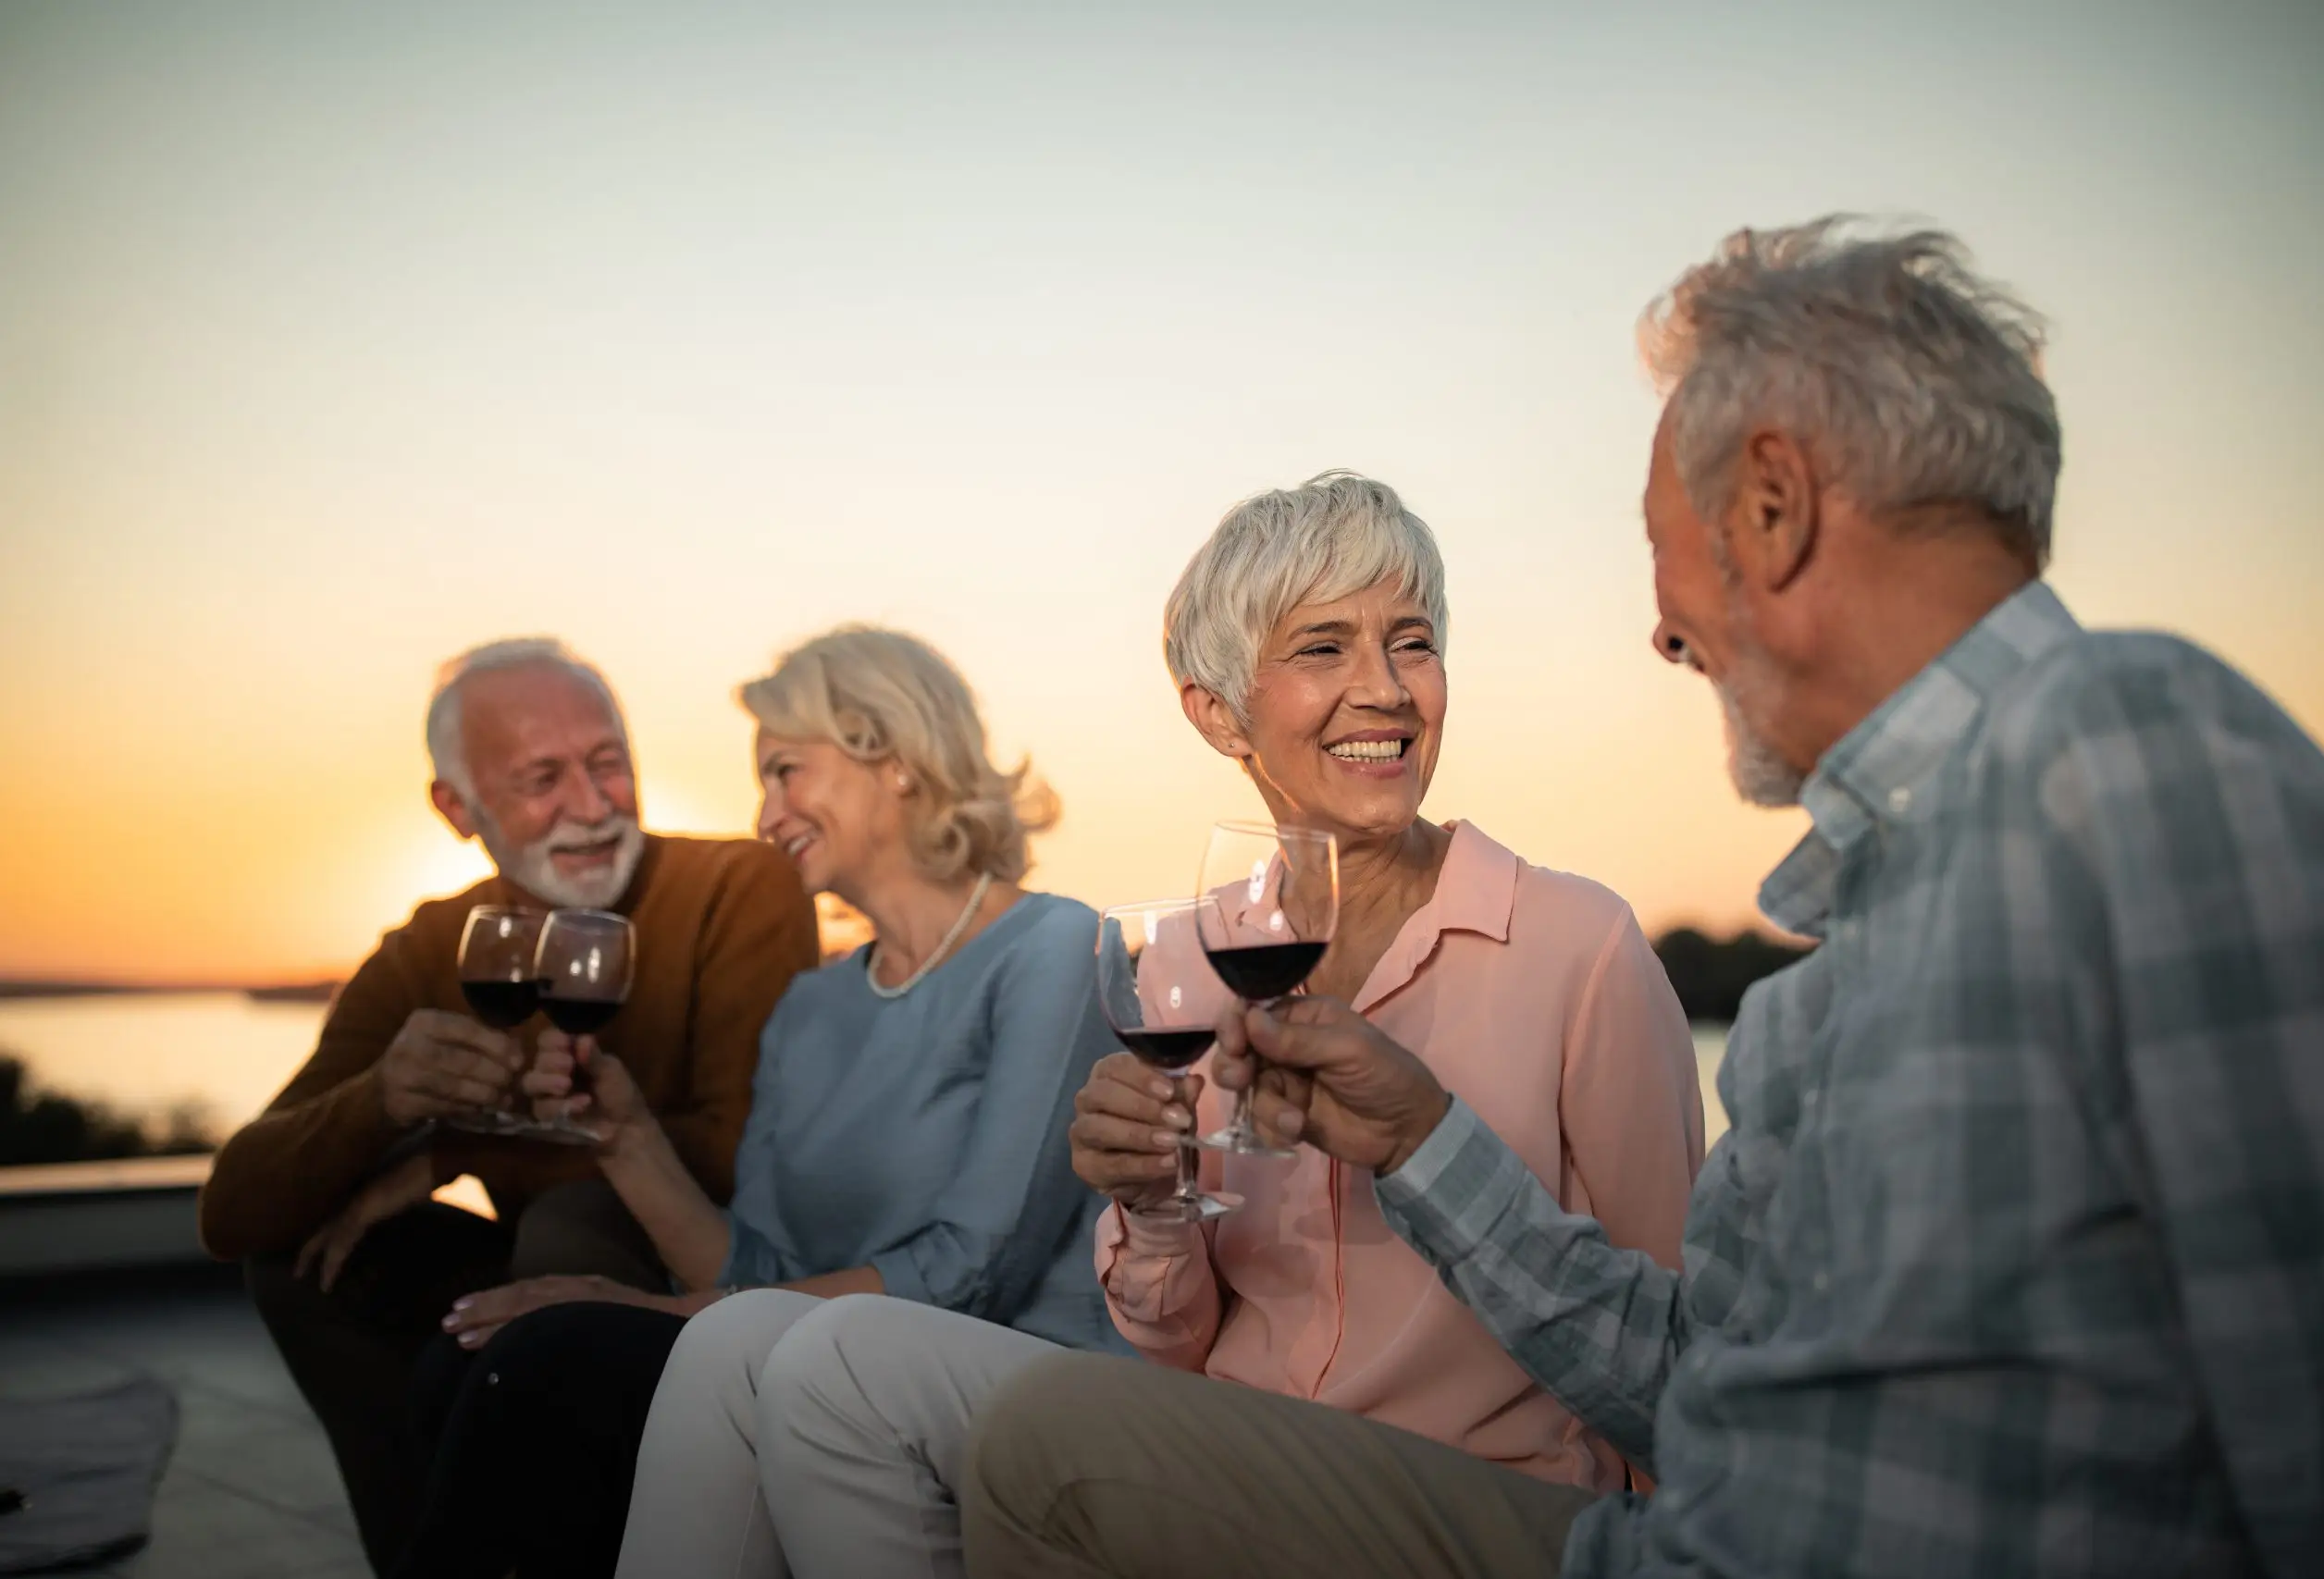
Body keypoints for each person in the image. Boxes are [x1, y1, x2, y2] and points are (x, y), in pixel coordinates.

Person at [957, 219, 2324, 1579]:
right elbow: (1697, 1382)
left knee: (1037, 1447)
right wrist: (1422, 1140)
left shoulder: (2129, 745)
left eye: (1659, 541)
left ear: (1774, 506)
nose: (1662, 625)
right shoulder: (1847, 956)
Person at [613, 475, 1707, 1578]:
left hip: (1464, 1504)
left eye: (1412, 643)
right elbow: (1174, 1342)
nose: (1384, 689)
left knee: (842, 1365)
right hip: (1230, 1456)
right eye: (1324, 648)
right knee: (755, 1345)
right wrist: (1151, 1208)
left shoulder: (1578, 945)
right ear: (1217, 713)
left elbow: (1678, 1342)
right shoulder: (1187, 957)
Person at [389, 624, 1130, 1579]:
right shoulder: (811, 1007)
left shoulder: (1053, 949)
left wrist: (658, 1308)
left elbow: (972, 1270)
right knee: (463, 1363)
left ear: (894, 756)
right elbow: (756, 1266)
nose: (765, 814)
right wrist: (624, 1139)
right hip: (798, 1365)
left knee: (556, 1356)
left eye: (785, 771)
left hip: (1010, 1383)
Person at [195, 636, 816, 1576]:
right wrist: (378, 1102)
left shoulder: (735, 885)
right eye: (543, 778)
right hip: (532, 1274)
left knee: (573, 1220)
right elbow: (230, 1212)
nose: (594, 804)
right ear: (456, 807)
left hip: (702, 1282)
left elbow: (742, 1152)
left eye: (608, 762)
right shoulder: (436, 943)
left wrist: (456, 1154)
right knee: (301, 1262)